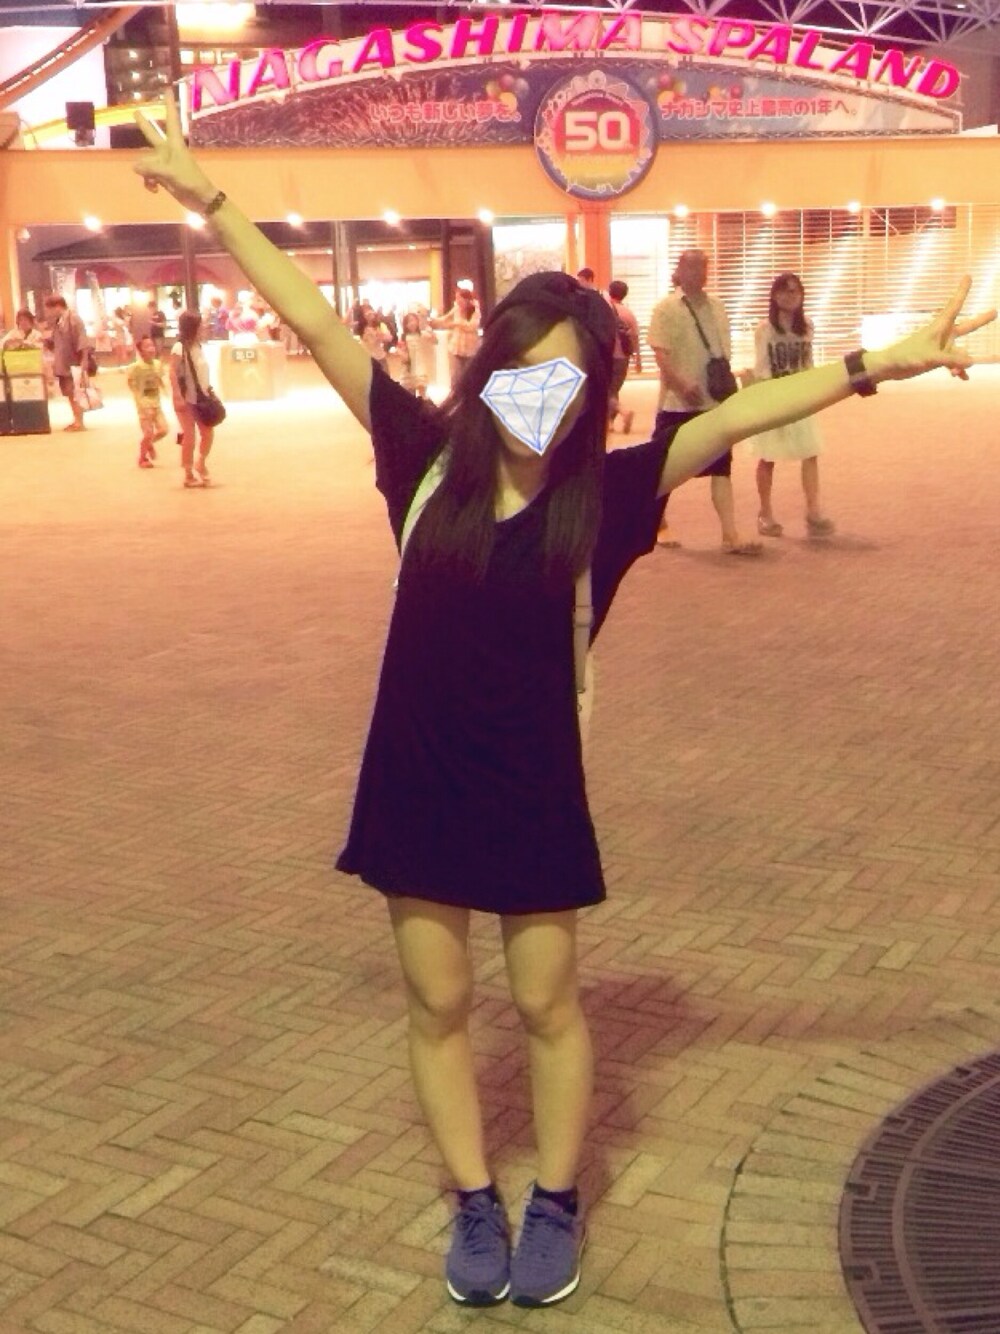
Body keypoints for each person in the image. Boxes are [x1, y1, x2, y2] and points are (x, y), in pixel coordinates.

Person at [134, 91, 994, 1312]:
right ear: (489, 371)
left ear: (594, 393)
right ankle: (471, 1200)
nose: (538, 397)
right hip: (415, 772)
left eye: (567, 380)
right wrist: (208, 198)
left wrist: (874, 365)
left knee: (544, 1000)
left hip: (531, 780)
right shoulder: (421, 456)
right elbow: (315, 317)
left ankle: (552, 1197)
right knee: (438, 1000)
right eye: (520, 373)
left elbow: (735, 414)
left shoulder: (610, 498)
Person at [648, 249, 760, 554]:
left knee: (722, 467)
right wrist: (681, 384)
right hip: (677, 404)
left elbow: (722, 353)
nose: (698, 273)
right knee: (664, 468)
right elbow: (660, 355)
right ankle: (658, 524)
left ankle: (730, 534)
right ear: (679, 270)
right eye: (692, 267)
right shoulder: (666, 309)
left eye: (703, 267)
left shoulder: (718, 307)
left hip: (714, 402)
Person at [747, 273, 834, 538]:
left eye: (795, 291)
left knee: (810, 452)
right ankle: (765, 513)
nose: (790, 296)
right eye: (784, 291)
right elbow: (762, 367)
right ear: (774, 296)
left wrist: (814, 391)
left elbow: (808, 363)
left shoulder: (807, 325)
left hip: (800, 396)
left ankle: (813, 510)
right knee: (768, 456)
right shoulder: (765, 329)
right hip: (773, 397)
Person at [169, 309, 215, 488]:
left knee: (208, 432)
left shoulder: (198, 347)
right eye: (200, 325)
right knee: (189, 436)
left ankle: (200, 463)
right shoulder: (179, 347)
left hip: (202, 397)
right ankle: (188, 473)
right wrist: (177, 395)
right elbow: (172, 371)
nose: (203, 327)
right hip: (186, 397)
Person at [42, 293, 90, 432]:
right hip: (62, 362)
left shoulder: (74, 319)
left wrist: (84, 359)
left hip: (73, 361)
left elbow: (82, 339)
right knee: (69, 392)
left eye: (49, 309)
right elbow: (55, 341)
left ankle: (80, 421)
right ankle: (76, 419)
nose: (48, 313)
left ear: (57, 306)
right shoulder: (59, 321)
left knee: (76, 392)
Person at [127, 334, 169, 469]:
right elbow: (130, 382)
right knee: (148, 432)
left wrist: (165, 389)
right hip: (144, 405)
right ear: (140, 351)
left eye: (152, 345)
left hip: (156, 404)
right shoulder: (136, 367)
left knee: (164, 429)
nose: (151, 348)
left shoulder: (158, 364)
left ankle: (148, 444)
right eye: (147, 346)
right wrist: (138, 398)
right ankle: (142, 458)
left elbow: (159, 378)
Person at [606, 280, 642, 434]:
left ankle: (623, 412)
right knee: (614, 390)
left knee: (605, 391)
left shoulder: (604, 309)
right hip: (623, 357)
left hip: (607, 355)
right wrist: (638, 359)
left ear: (610, 291)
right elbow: (635, 337)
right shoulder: (629, 313)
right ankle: (609, 423)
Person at [431, 287, 480, 387]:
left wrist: (456, 323)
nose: (457, 301)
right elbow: (445, 318)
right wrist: (434, 321)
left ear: (467, 299)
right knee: (456, 375)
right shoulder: (457, 308)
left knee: (469, 374)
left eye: (459, 298)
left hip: (470, 347)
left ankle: (468, 394)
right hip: (457, 346)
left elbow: (472, 326)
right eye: (456, 298)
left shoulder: (475, 310)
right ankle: (455, 393)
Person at [398, 310, 436, 398]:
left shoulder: (422, 334)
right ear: (405, 325)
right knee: (409, 394)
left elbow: (435, 341)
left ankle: (424, 405)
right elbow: (401, 351)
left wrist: (429, 329)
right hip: (408, 368)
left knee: (422, 392)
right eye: (409, 322)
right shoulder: (403, 337)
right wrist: (402, 354)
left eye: (413, 320)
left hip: (420, 366)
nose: (412, 323)